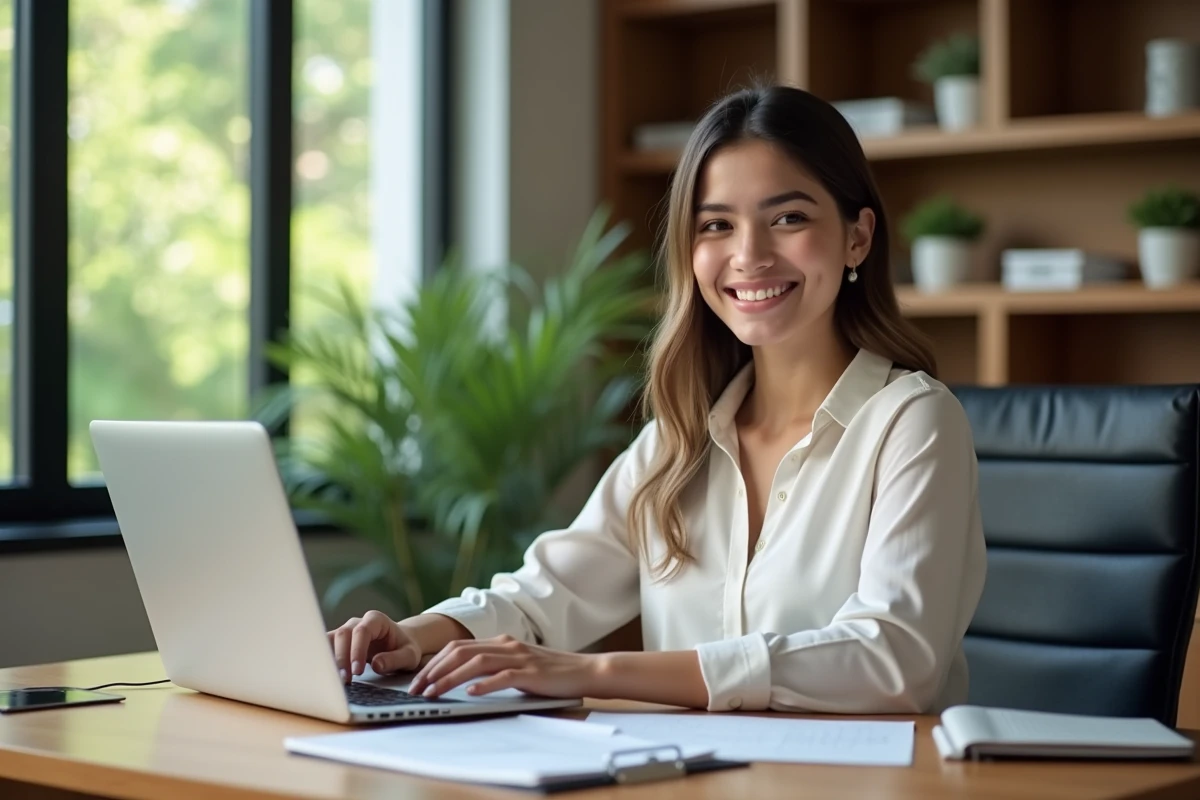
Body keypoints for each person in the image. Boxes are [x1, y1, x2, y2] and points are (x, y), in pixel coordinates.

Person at [328, 84, 987, 714]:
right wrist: (417, 634)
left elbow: (894, 659)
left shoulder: (914, 422)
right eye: (717, 226)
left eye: (788, 218)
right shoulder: (680, 439)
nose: (749, 254)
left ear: (858, 237)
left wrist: (595, 672)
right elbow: (543, 597)